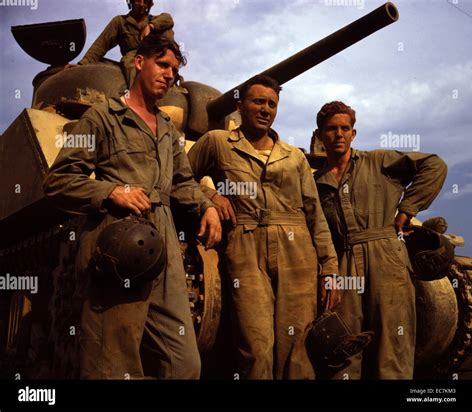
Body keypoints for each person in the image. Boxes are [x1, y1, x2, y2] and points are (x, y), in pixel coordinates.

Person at [44, 34, 221, 379]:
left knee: (184, 363)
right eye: (162, 64)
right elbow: (58, 181)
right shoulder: (103, 117)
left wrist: (206, 206)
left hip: (165, 245)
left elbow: (182, 182)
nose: (169, 74)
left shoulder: (167, 130)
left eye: (175, 69)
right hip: (119, 241)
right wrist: (111, 191)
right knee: (112, 362)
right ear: (139, 62)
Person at [187, 75, 339, 379]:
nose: (265, 109)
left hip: (298, 252)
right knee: (254, 347)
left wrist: (330, 267)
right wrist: (210, 195)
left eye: (272, 103)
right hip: (246, 248)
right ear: (240, 106)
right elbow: (179, 176)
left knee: (298, 351)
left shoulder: (294, 156)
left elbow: (314, 214)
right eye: (258, 101)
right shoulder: (218, 142)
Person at [313, 101, 448, 379]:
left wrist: (408, 209)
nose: (338, 134)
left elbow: (435, 165)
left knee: (393, 347)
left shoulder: (379, 162)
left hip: (386, 257)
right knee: (344, 348)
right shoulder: (316, 182)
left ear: (353, 133)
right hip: (344, 262)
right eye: (331, 129)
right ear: (320, 135)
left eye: (344, 128)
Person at [71, 0, 174, 86]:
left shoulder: (154, 20)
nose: (142, 4)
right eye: (138, 0)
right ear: (131, 2)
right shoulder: (120, 21)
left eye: (145, 1)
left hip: (154, 55)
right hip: (132, 56)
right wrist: (82, 64)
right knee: (132, 65)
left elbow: (168, 18)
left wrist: (151, 26)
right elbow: (101, 44)